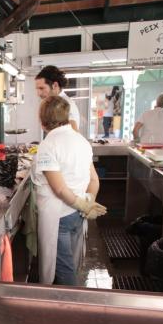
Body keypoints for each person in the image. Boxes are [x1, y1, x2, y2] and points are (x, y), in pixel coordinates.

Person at [31, 96, 106, 286]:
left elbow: (59, 188)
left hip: (59, 216)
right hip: (77, 215)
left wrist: (82, 204)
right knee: (71, 261)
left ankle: (71, 303)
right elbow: (94, 180)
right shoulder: (81, 141)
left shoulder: (49, 144)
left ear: (42, 121)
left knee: (64, 270)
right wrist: (88, 201)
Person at [35, 65, 80, 132]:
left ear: (55, 85)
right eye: (37, 89)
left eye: (42, 88)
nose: (38, 94)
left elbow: (74, 133)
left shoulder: (65, 104)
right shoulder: (55, 104)